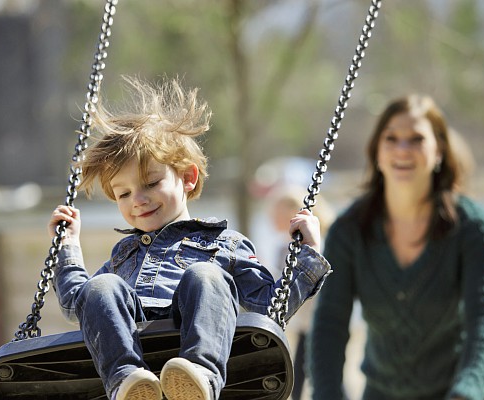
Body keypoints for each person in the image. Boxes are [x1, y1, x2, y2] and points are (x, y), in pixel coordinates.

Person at [47, 76, 332, 400]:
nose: (137, 199)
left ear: (187, 177)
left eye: (151, 183)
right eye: (123, 193)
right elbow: (77, 304)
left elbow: (271, 306)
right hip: (136, 344)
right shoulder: (121, 256)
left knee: (206, 274)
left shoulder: (226, 243)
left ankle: (199, 376)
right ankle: (127, 384)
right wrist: (67, 244)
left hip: (198, 346)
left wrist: (308, 253)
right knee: (100, 287)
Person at [308, 94, 484, 400]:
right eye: (391, 138)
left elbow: (483, 322)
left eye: (416, 139)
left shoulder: (472, 228)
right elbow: (329, 325)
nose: (402, 149)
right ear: (377, 151)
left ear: (439, 151)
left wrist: (467, 393)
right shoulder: (349, 230)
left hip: (457, 392)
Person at [266, 184, 335, 400]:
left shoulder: (320, 244)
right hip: (304, 325)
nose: (271, 219)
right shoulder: (281, 249)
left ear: (291, 215)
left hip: (323, 323)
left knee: (322, 375)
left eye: (276, 213)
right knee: (300, 375)